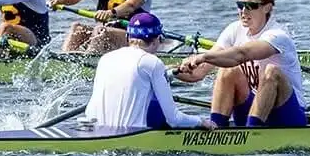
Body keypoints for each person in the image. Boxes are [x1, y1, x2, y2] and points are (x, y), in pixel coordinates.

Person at [174, 0, 307, 128]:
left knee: (272, 72)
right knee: (227, 70)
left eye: (251, 5)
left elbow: (241, 54)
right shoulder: (234, 30)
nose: (244, 11)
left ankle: (252, 132)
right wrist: (164, 71)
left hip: (287, 113)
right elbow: (198, 73)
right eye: (240, 5)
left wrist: (203, 56)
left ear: (267, 8)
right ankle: (215, 129)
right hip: (254, 107)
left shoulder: (278, 35)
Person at [85, 13, 216, 131]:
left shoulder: (106, 58)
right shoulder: (152, 62)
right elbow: (174, 120)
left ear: (127, 37)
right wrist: (201, 122)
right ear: (158, 39)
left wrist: (169, 73)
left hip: (97, 130)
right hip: (133, 143)